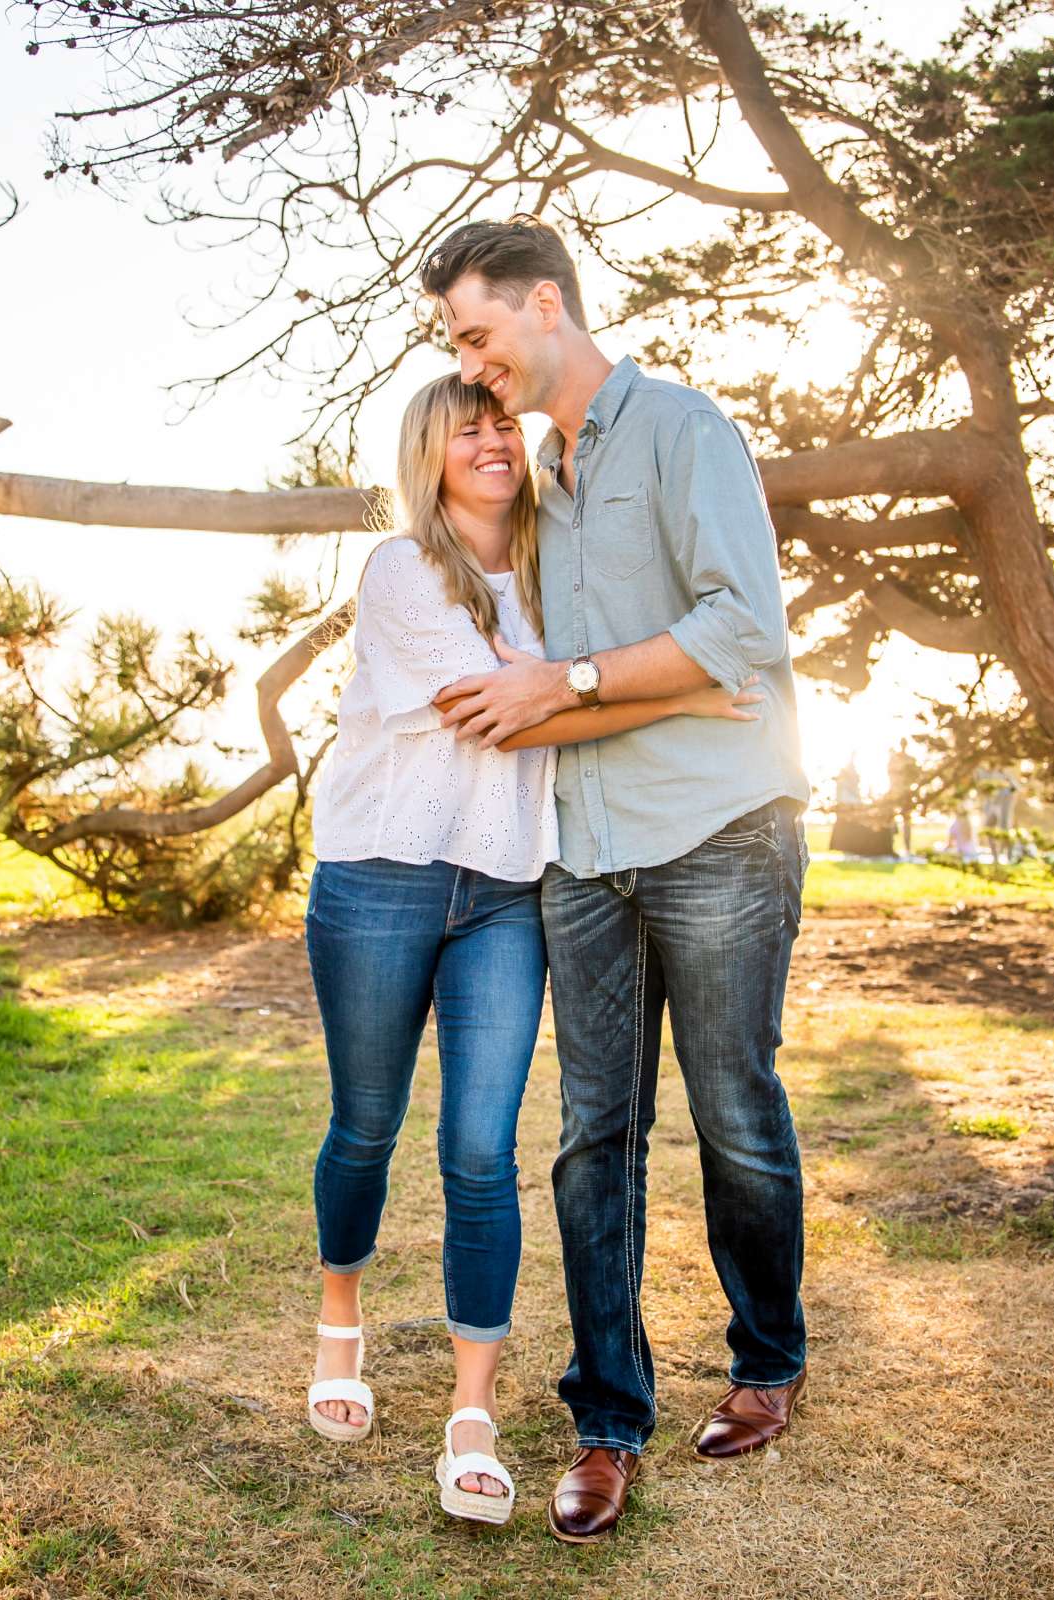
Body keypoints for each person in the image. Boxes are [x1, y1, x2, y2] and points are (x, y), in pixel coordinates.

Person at [301, 373, 762, 1528]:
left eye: (502, 419)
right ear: (430, 453)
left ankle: (473, 1417)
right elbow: (507, 710)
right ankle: (339, 1330)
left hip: (509, 886)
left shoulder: (559, 574)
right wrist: (692, 699)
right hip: (382, 876)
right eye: (468, 427)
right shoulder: (402, 571)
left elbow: (574, 682)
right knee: (366, 1123)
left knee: (480, 1146)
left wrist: (651, 677)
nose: (494, 439)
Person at [424, 217, 812, 1545]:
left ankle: (766, 1363)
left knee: (736, 1113)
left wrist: (581, 683)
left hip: (719, 832)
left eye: (475, 333)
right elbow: (593, 680)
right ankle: (606, 1419)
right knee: (596, 1137)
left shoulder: (684, 429)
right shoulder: (535, 478)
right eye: (453, 349)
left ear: (546, 304)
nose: (470, 366)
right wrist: (630, 696)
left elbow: (743, 629)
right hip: (581, 853)